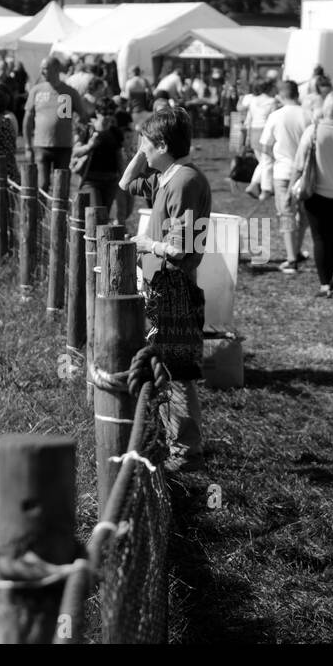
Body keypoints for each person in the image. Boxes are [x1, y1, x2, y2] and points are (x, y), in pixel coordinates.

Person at [119, 106, 212, 472]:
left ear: (161, 144)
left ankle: (187, 450)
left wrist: (146, 244)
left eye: (144, 143)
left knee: (175, 369)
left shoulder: (184, 182)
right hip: (160, 283)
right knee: (164, 364)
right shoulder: (167, 178)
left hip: (173, 285)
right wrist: (144, 151)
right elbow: (126, 184)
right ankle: (172, 439)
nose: (138, 149)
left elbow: (182, 246)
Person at [291, 90, 333, 297]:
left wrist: (290, 189)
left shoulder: (313, 131)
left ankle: (325, 283)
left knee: (319, 239)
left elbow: (299, 163)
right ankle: (329, 277)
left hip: (316, 193)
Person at [261, 79, 311, 272]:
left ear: (280, 96)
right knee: (304, 215)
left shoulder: (276, 116)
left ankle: (291, 258)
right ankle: (295, 251)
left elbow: (265, 144)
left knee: (286, 214)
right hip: (305, 172)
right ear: (297, 94)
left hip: (283, 171)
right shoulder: (308, 114)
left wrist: (265, 171)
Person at [23, 57, 90, 194]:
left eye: (45, 68)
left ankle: (61, 214)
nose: (42, 71)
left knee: (62, 185)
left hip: (64, 146)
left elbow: (83, 116)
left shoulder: (70, 92)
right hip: (42, 145)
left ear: (56, 69)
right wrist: (27, 146)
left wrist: (80, 134)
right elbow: (27, 119)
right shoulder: (36, 91)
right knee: (43, 184)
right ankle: (40, 215)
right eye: (41, 68)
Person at [73, 97, 124, 214]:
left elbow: (119, 156)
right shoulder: (88, 130)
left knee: (104, 216)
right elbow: (75, 152)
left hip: (111, 180)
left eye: (110, 113)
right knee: (96, 213)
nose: (107, 117)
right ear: (97, 112)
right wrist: (89, 145)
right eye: (104, 113)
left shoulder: (116, 132)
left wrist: (123, 177)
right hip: (90, 180)